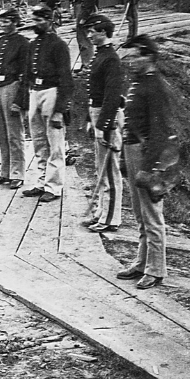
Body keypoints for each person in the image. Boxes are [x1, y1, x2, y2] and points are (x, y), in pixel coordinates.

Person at [115, 35, 179, 290]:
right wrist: (123, 156)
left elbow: (160, 133)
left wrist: (148, 168)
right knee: (140, 214)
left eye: (134, 57)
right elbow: (131, 124)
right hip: (132, 151)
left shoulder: (156, 87)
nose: (129, 62)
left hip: (147, 156)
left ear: (148, 57)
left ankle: (156, 269)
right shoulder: (139, 83)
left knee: (152, 216)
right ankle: (142, 262)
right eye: (128, 57)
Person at [22, 5, 72, 203]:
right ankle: (42, 181)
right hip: (35, 92)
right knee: (39, 141)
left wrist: (60, 109)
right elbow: (27, 74)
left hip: (52, 92)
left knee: (55, 144)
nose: (36, 24)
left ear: (50, 21)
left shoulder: (59, 45)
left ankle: (54, 186)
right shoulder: (33, 44)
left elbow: (66, 79)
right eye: (34, 20)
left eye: (40, 20)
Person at [80, 15, 124, 233]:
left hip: (108, 116)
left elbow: (112, 96)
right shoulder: (101, 56)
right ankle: (101, 212)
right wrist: (91, 119)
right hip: (97, 112)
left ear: (104, 32)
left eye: (92, 31)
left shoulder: (111, 59)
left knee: (110, 169)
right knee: (101, 168)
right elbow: (94, 93)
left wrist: (103, 125)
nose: (89, 35)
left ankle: (111, 218)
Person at [0, 7, 30, 189]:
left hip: (12, 87)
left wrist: (20, 102)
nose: (3, 25)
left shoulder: (23, 43)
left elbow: (26, 75)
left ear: (14, 22)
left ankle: (17, 173)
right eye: (2, 21)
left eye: (7, 22)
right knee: (1, 132)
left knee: (14, 133)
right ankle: (5, 171)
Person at [70, 0, 100, 71]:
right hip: (80, 7)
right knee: (81, 37)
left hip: (84, 8)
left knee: (85, 37)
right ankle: (85, 63)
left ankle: (87, 65)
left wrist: (84, 16)